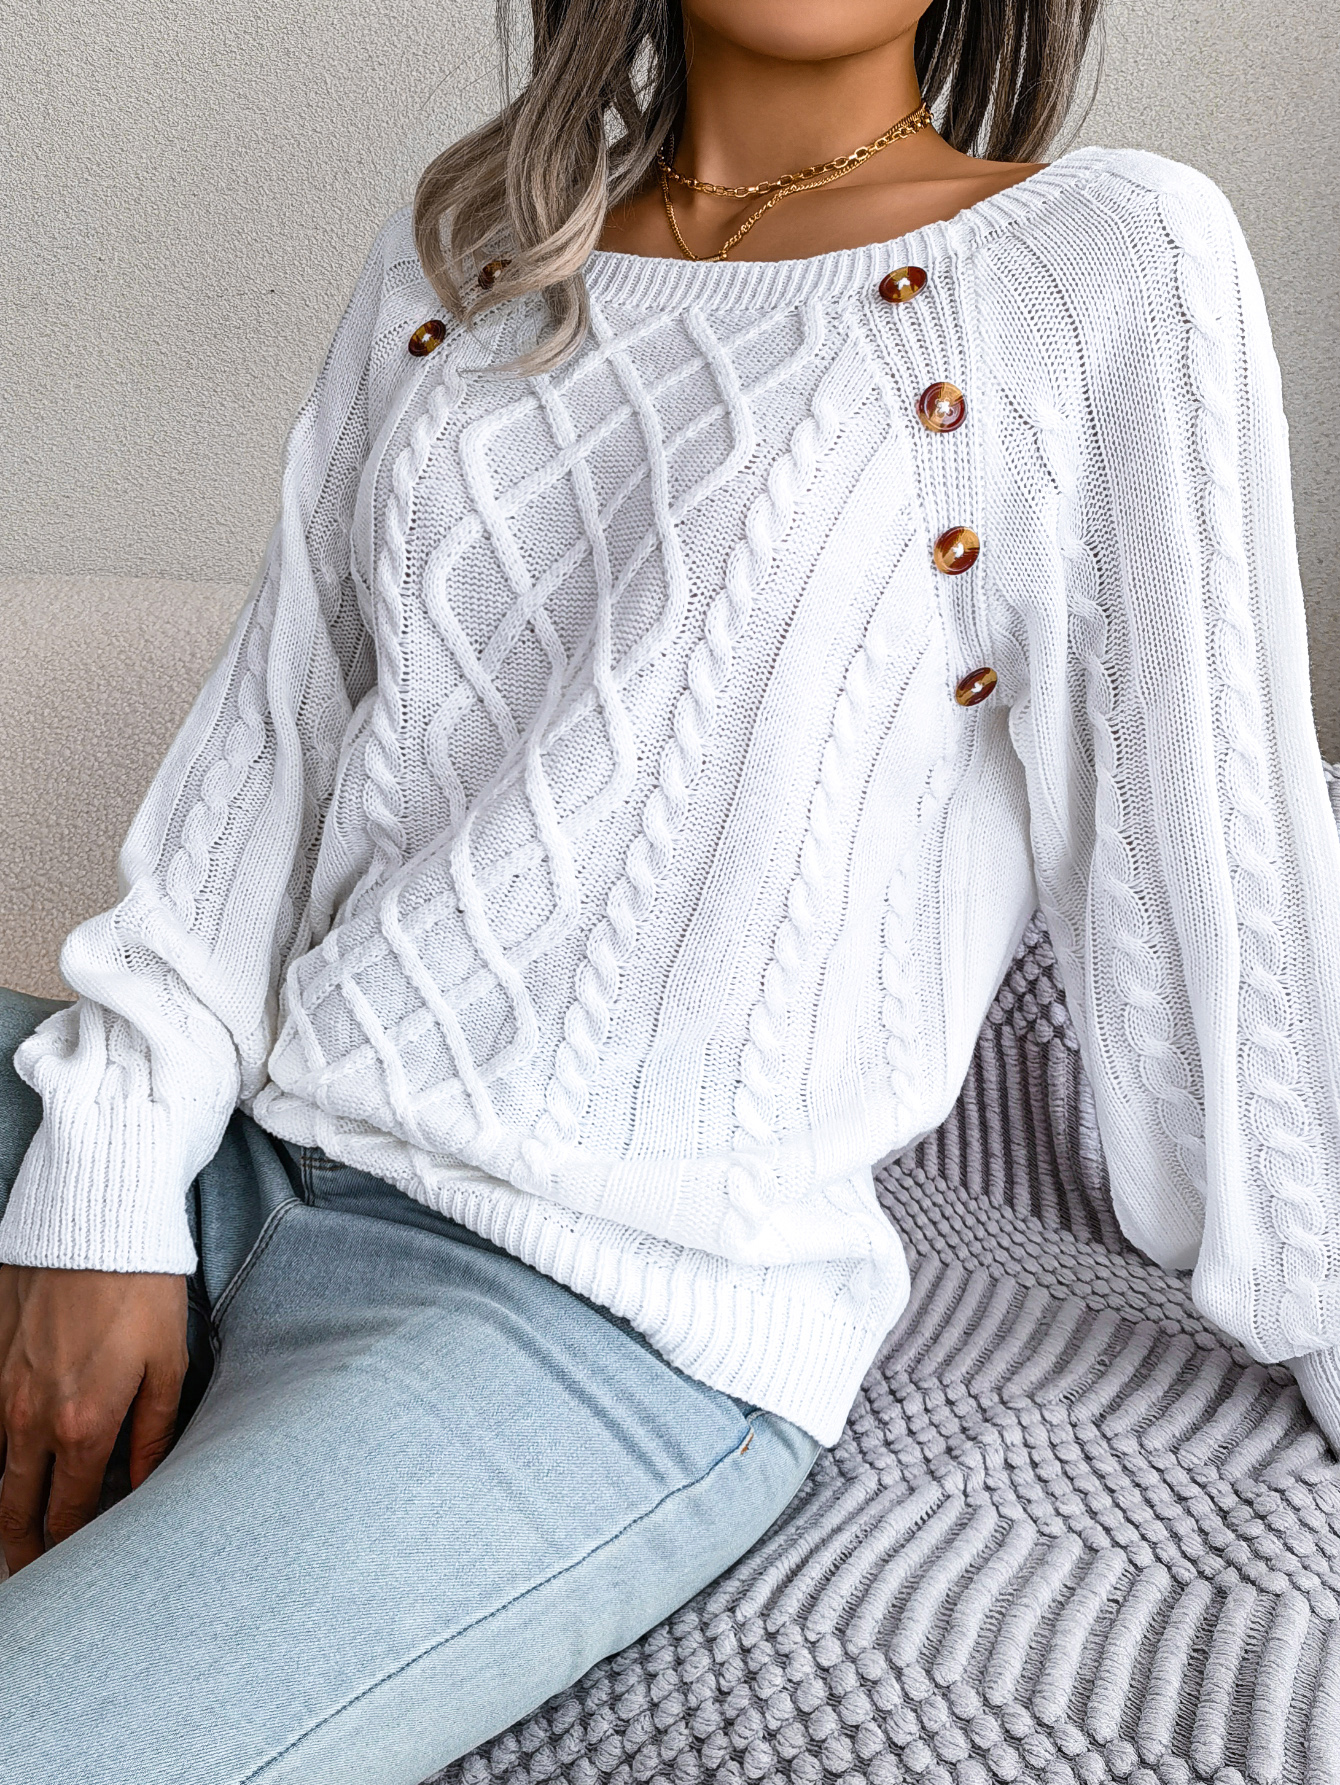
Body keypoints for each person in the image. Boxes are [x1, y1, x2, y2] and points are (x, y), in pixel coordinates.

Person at [3, 0, 1339, 1779]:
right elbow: (267, 767)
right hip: (244, 1143)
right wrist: (99, 1194)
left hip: (580, 1320)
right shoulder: (457, 261)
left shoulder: (1096, 266)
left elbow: (1233, 917)